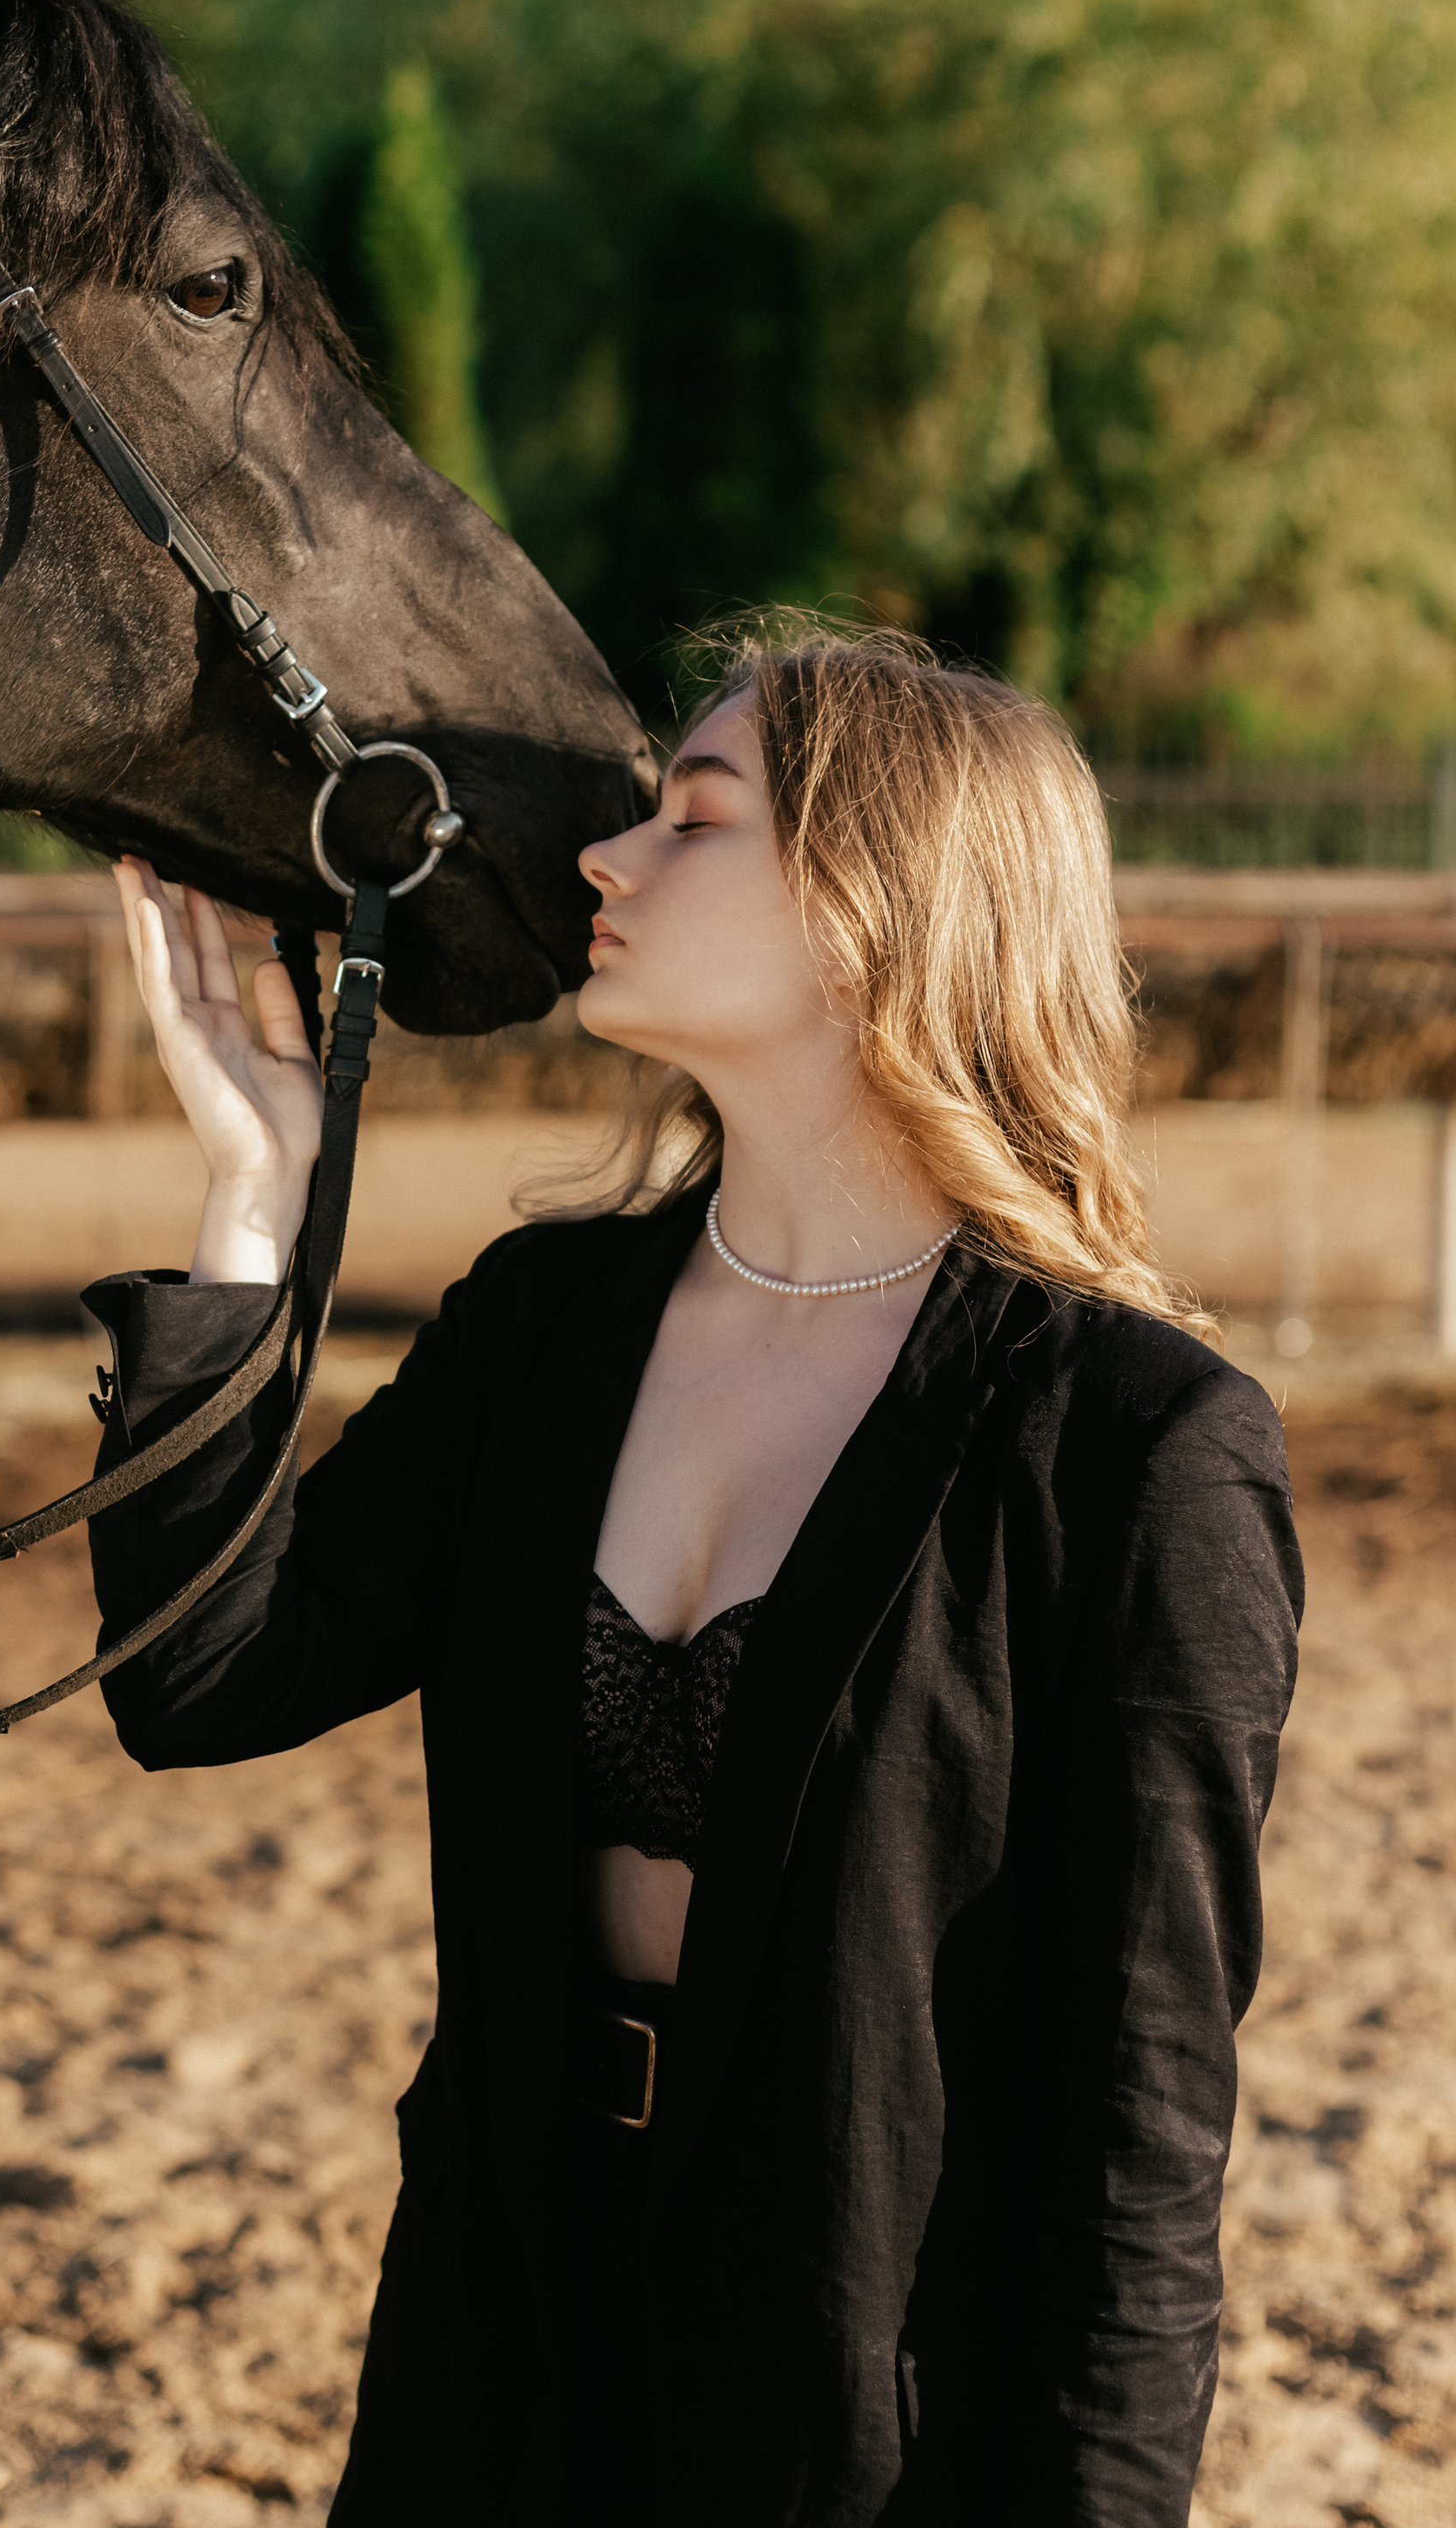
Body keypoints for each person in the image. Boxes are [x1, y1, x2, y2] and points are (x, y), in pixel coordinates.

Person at [83, 623, 1302, 2527]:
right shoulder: (544, 1323)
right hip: (497, 2351)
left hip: (865, 2402)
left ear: (876, 903)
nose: (605, 859)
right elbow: (204, 1676)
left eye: (689, 818)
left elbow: (1138, 2138)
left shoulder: (1133, 1447)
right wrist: (248, 1203)